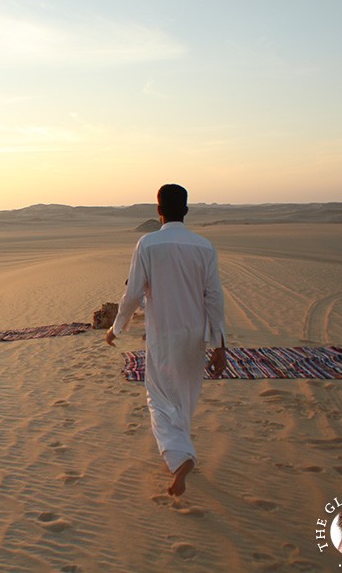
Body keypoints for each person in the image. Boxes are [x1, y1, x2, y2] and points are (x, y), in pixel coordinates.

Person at [105, 184, 227, 496]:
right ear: (186, 210)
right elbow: (214, 298)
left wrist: (116, 328)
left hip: (162, 336)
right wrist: (220, 346)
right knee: (185, 397)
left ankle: (180, 459)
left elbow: (133, 293)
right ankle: (181, 452)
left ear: (159, 210)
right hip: (194, 336)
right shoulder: (204, 246)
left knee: (158, 398)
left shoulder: (148, 244)